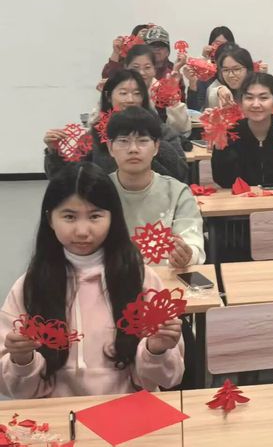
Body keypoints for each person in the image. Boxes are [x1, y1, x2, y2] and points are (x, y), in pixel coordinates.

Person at [0, 163, 184, 398]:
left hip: (128, 408)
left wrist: (156, 351)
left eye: (95, 216)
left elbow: (169, 378)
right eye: (69, 217)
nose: (82, 231)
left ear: (113, 218)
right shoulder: (30, 286)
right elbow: (16, 391)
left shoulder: (141, 279)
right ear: (50, 219)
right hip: (57, 413)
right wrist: (21, 359)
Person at [44, 70, 188, 182]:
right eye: (123, 93)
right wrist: (54, 151)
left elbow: (181, 174)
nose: (130, 100)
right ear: (108, 97)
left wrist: (151, 141)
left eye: (137, 93)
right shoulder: (94, 136)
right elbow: (65, 180)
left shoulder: (163, 132)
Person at [106, 107, 205, 267]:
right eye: (123, 141)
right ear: (110, 147)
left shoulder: (177, 192)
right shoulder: (100, 191)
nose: (133, 149)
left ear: (156, 147)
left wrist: (187, 256)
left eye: (142, 141)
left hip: (167, 278)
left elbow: (193, 242)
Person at [125, 45, 191, 136]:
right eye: (135, 67)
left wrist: (172, 94)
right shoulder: (118, 90)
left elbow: (182, 128)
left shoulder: (162, 91)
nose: (141, 73)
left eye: (147, 67)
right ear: (126, 68)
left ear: (154, 69)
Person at [185, 26, 236, 111]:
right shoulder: (205, 72)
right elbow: (194, 109)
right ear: (210, 46)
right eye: (217, 44)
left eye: (225, 45)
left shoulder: (238, 71)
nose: (221, 49)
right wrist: (203, 58)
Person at [206, 44, 255, 109]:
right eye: (226, 70)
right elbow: (213, 93)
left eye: (236, 69)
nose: (230, 75)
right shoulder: (219, 90)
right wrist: (219, 90)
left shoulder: (257, 89)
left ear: (248, 69)